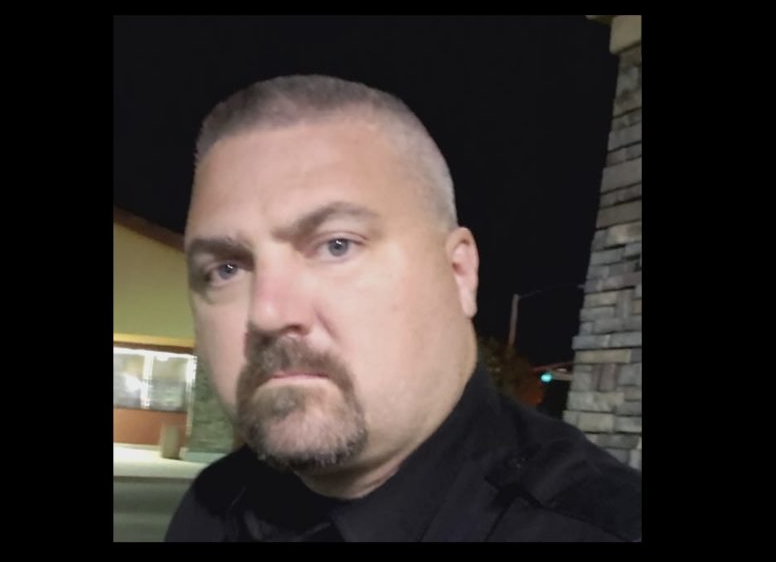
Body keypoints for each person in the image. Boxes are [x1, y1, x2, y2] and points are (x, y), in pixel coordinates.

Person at [165, 75, 641, 542]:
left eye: (336, 245)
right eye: (226, 269)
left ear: (459, 273)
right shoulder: (211, 509)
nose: (267, 314)